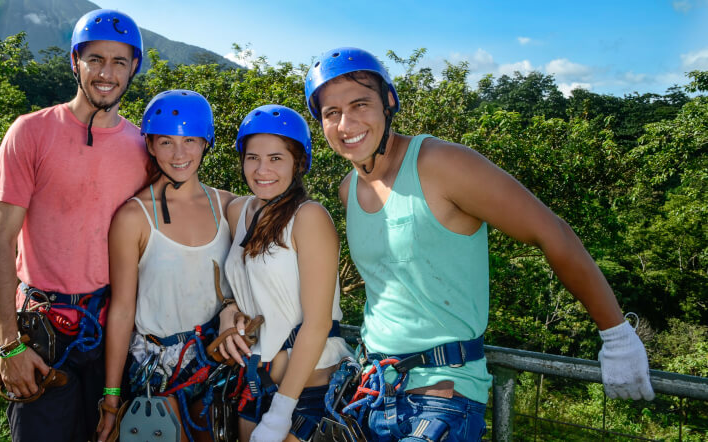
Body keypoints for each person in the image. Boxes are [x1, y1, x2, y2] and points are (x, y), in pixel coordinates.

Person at [303, 47, 655, 441]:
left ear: (388, 102)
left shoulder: (441, 164)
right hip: (370, 391)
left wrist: (615, 334)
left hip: (441, 397)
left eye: (360, 104)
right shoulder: (348, 189)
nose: (346, 122)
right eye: (331, 113)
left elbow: (551, 231)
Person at [0, 9, 148, 441]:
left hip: (112, 333)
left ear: (134, 69)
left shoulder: (142, 148)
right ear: (75, 62)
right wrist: (9, 343)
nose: (106, 73)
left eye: (119, 61)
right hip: (42, 332)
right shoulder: (30, 133)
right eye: (95, 59)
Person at [97, 89, 236, 442]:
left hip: (216, 362)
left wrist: (234, 308)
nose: (179, 154)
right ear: (150, 144)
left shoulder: (230, 207)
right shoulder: (133, 216)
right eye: (166, 142)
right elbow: (122, 310)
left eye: (190, 140)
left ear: (206, 143)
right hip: (155, 371)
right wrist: (112, 398)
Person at [216, 105, 353, 442]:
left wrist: (280, 412)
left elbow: (318, 322)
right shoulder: (239, 211)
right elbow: (239, 285)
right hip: (255, 384)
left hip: (307, 392)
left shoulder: (310, 217)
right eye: (252, 158)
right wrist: (227, 312)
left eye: (276, 158)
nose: (262, 169)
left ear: (299, 163)